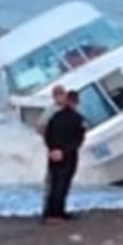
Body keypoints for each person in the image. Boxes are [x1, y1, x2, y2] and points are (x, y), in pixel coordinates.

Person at [42, 86, 87, 224]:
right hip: (68, 155)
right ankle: (58, 213)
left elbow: (47, 134)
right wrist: (64, 151)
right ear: (76, 102)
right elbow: (78, 140)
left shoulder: (55, 116)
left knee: (54, 183)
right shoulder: (78, 119)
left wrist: (52, 149)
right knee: (63, 184)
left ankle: (52, 213)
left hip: (54, 154)